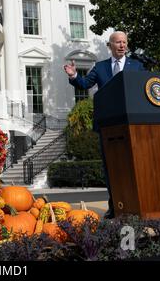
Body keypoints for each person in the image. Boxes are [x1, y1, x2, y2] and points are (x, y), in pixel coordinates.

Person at [62, 31, 145, 219]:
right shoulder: (100, 67)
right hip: (108, 126)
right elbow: (84, 84)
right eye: (118, 42)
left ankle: (137, 204)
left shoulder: (138, 67)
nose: (122, 45)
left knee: (132, 165)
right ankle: (115, 205)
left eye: (124, 42)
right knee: (112, 167)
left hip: (132, 124)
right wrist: (74, 75)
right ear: (110, 45)